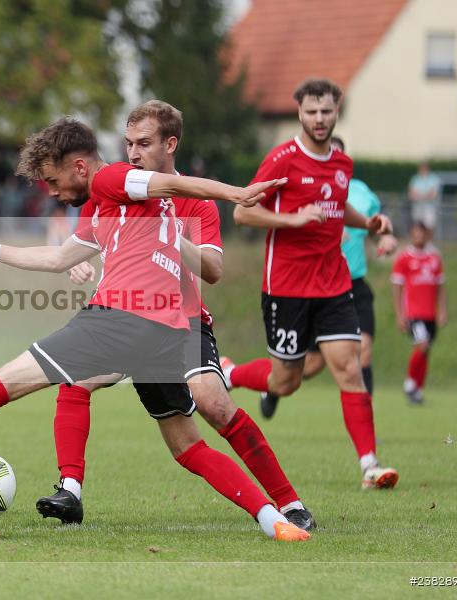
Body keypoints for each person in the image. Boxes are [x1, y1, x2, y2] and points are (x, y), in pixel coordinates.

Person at [0, 117, 309, 541]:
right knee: (187, 445)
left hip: (120, 318)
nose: (53, 192)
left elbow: (171, 185)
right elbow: (59, 258)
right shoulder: (109, 203)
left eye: (54, 181)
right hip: (164, 331)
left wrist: (235, 193)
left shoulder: (111, 178)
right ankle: (274, 520)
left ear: (80, 166)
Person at [28, 101, 313, 530]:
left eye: (144, 143)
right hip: (128, 317)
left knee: (213, 403)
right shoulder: (111, 187)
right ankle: (70, 490)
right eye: (128, 143)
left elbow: (213, 270)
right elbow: (81, 247)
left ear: (170, 144)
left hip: (186, 321)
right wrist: (77, 265)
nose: (133, 152)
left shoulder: (196, 204)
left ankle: (289, 503)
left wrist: (168, 235)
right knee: (76, 379)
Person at [221, 78, 399, 490]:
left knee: (349, 367)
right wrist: (293, 219)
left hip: (333, 283)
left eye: (326, 111)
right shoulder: (282, 160)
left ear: (337, 111)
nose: (319, 119)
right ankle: (231, 372)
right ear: (299, 112)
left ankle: (370, 466)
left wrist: (368, 222)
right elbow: (243, 213)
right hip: (286, 286)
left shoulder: (342, 163)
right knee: (287, 381)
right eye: (311, 111)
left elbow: (337, 205)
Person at [253, 136, 398, 418]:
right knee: (309, 366)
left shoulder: (362, 193)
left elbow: (374, 226)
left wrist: (386, 238)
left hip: (353, 283)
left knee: (363, 350)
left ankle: (366, 420)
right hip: (315, 285)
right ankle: (273, 385)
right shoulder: (304, 184)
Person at [391, 221, 446, 405]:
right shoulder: (404, 258)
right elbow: (397, 287)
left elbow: (441, 287)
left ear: (426, 235)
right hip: (413, 313)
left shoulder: (434, 257)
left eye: (422, 233)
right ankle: (409, 383)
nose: (419, 236)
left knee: (425, 350)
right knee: (421, 345)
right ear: (411, 235)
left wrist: (442, 311)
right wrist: (399, 314)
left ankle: (418, 390)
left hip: (431, 313)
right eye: (415, 233)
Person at [407, 161, 441, 230]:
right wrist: (425, 196)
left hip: (429, 207)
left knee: (429, 227)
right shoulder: (415, 178)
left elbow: (433, 195)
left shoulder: (434, 178)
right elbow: (410, 194)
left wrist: (419, 196)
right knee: (417, 226)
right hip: (417, 207)